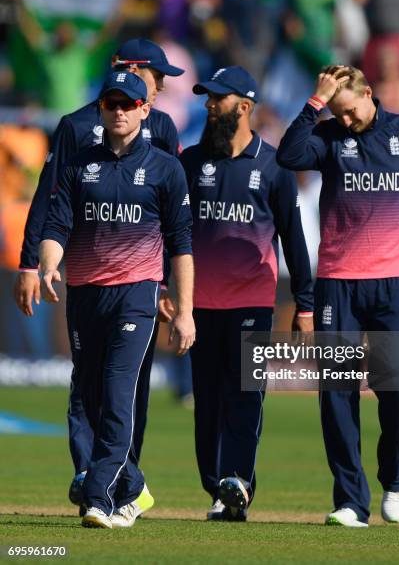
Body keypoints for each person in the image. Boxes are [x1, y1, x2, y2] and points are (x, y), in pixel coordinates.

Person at [276, 65, 399, 526]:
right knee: (338, 393)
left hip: (397, 281)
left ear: (369, 94)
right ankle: (349, 500)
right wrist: (315, 104)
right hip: (338, 283)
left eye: (350, 111)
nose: (345, 121)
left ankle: (396, 478)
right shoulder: (325, 135)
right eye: (336, 114)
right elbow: (288, 155)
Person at [14, 38, 185, 515]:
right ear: (129, 69)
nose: (163, 85)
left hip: (141, 282)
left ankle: (113, 474)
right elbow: (49, 199)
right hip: (87, 279)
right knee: (87, 384)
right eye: (158, 75)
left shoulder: (164, 126)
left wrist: (169, 282)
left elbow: (170, 216)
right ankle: (100, 472)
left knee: (128, 386)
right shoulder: (74, 127)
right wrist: (33, 263)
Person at [179, 66, 314, 521]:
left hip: (253, 304)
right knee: (207, 405)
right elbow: (171, 236)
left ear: (244, 106)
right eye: (206, 98)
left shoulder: (274, 167)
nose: (208, 104)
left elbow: (293, 239)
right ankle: (217, 485)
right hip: (199, 306)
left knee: (244, 396)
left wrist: (306, 303)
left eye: (217, 98)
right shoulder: (190, 163)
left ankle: (236, 483)